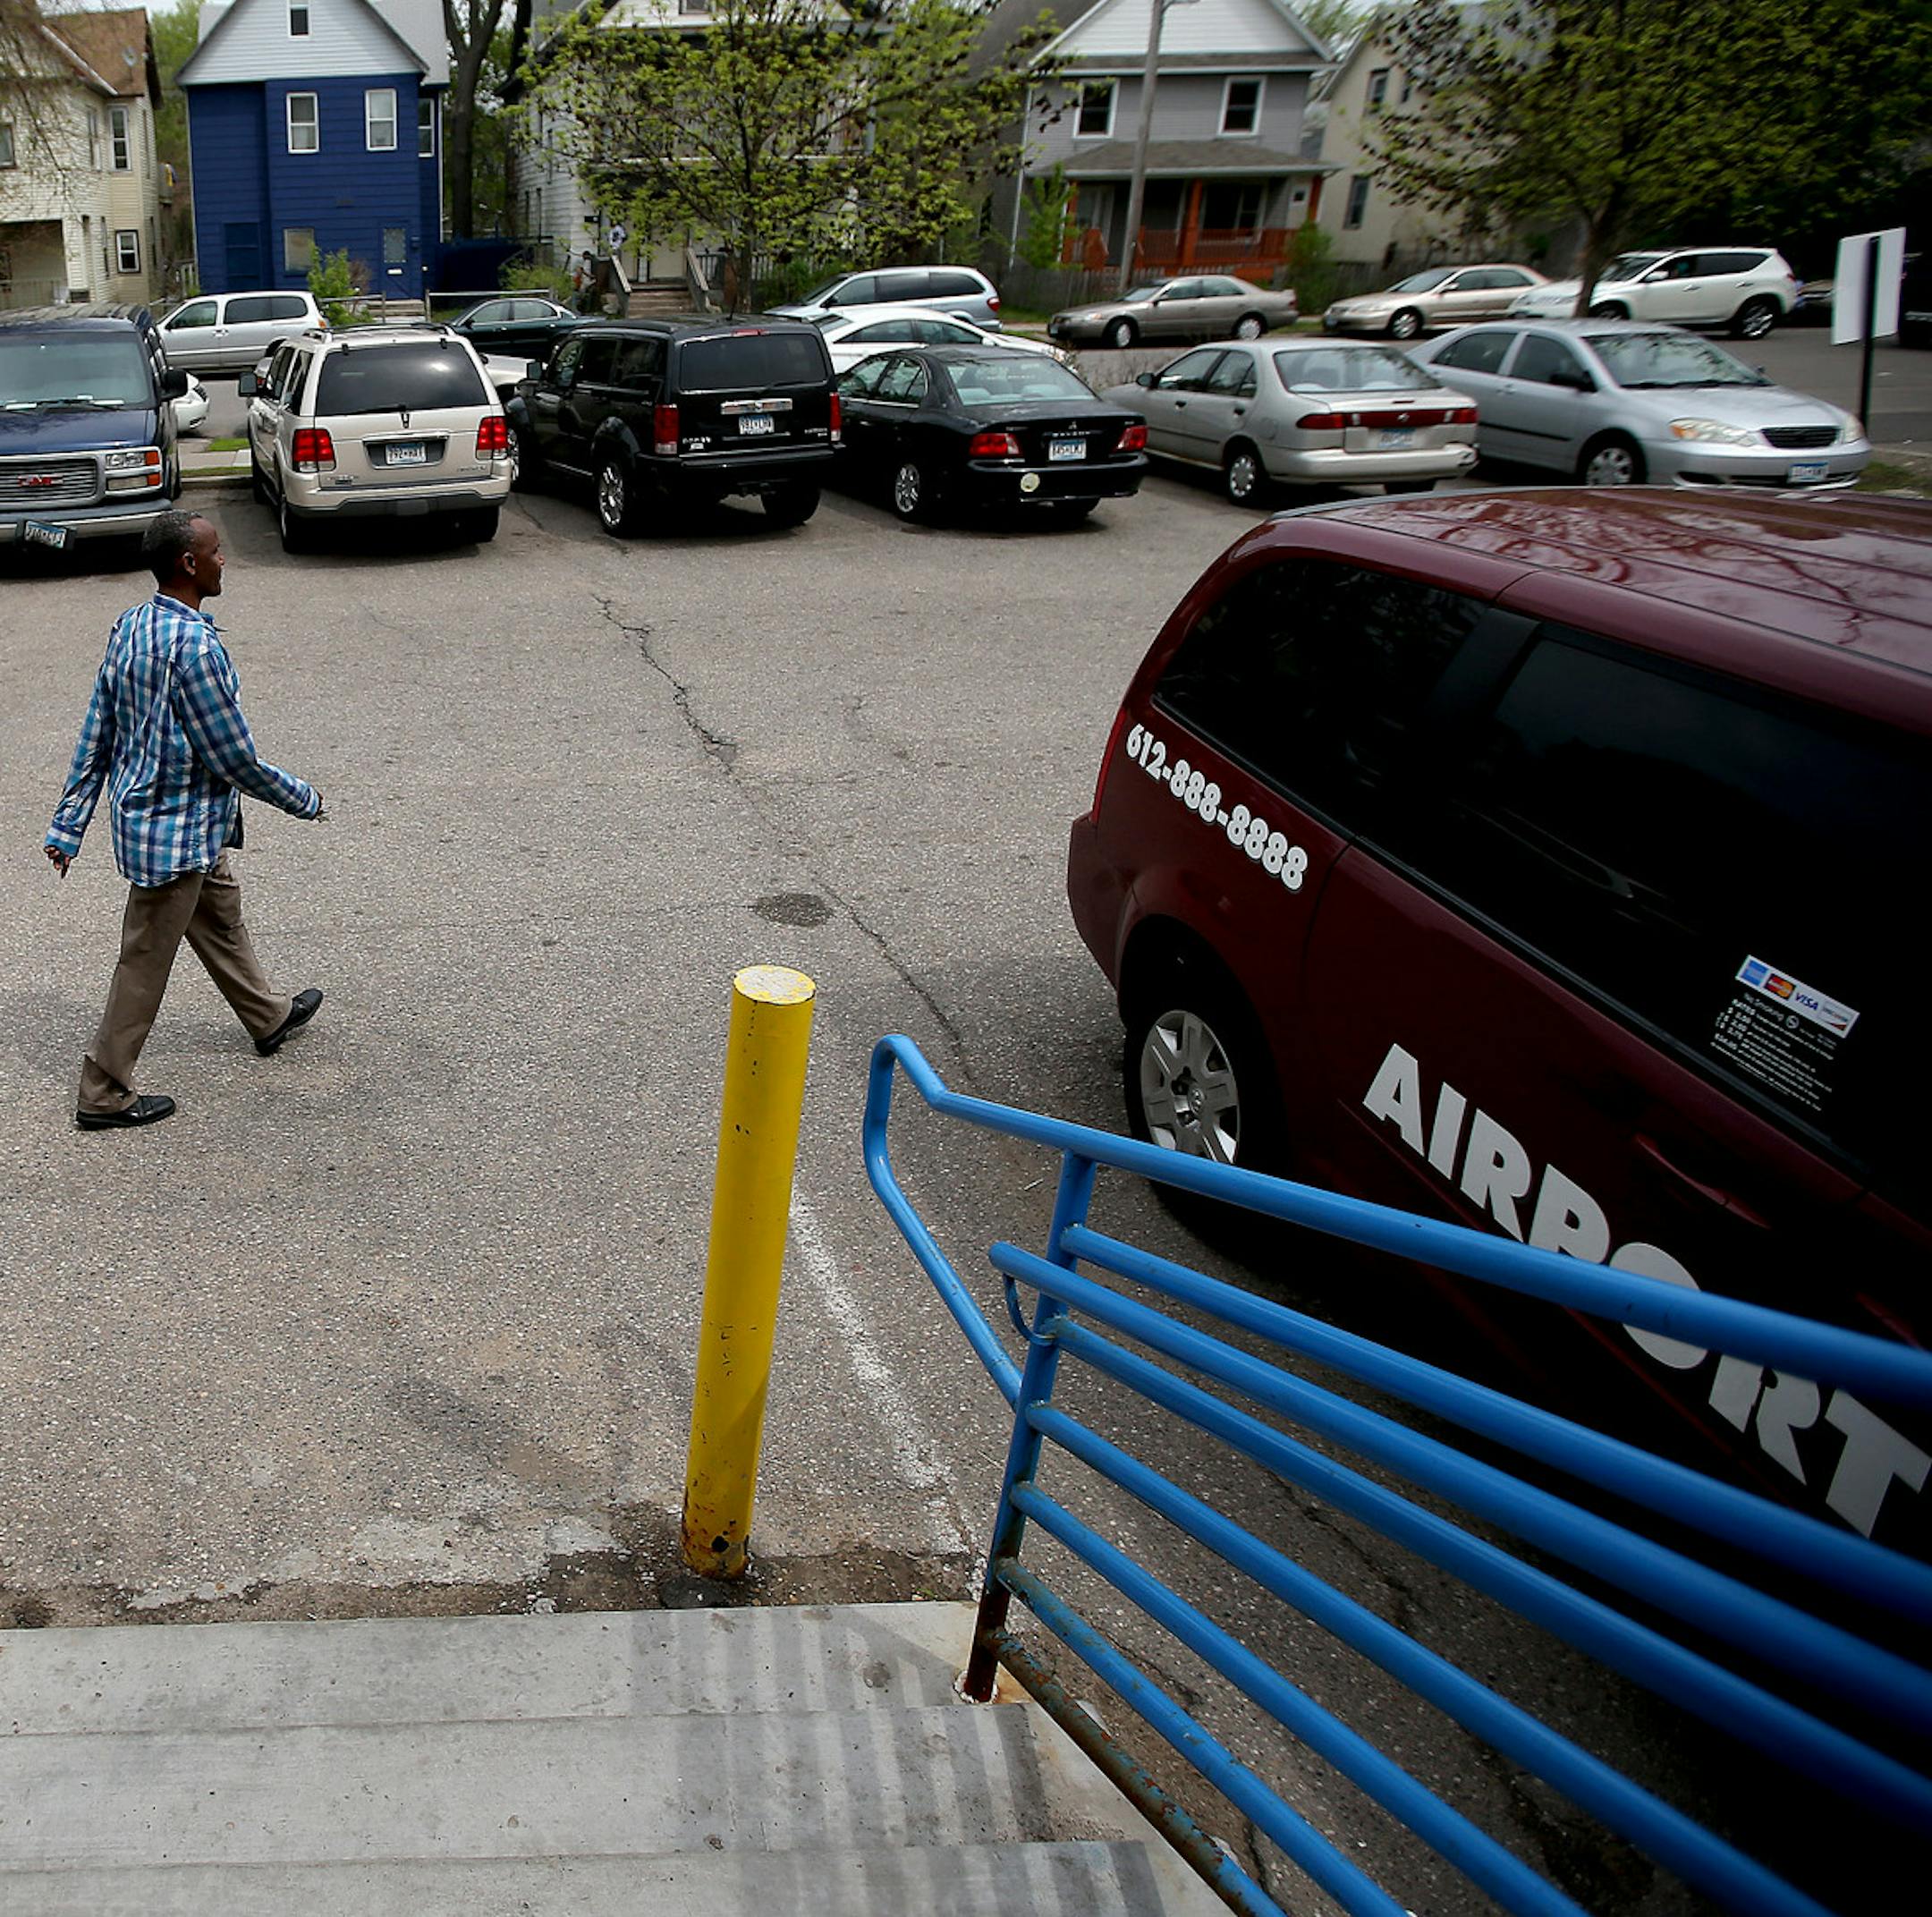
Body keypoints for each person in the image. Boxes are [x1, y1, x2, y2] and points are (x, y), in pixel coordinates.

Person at [44, 510, 326, 1132]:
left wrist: (69, 825)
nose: (225, 561)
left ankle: (268, 1016)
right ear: (188, 564)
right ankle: (103, 1091)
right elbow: (233, 758)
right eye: (217, 552)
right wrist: (303, 797)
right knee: (143, 964)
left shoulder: (131, 625)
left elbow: (99, 728)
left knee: (220, 918)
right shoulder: (196, 648)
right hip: (173, 836)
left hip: (181, 828)